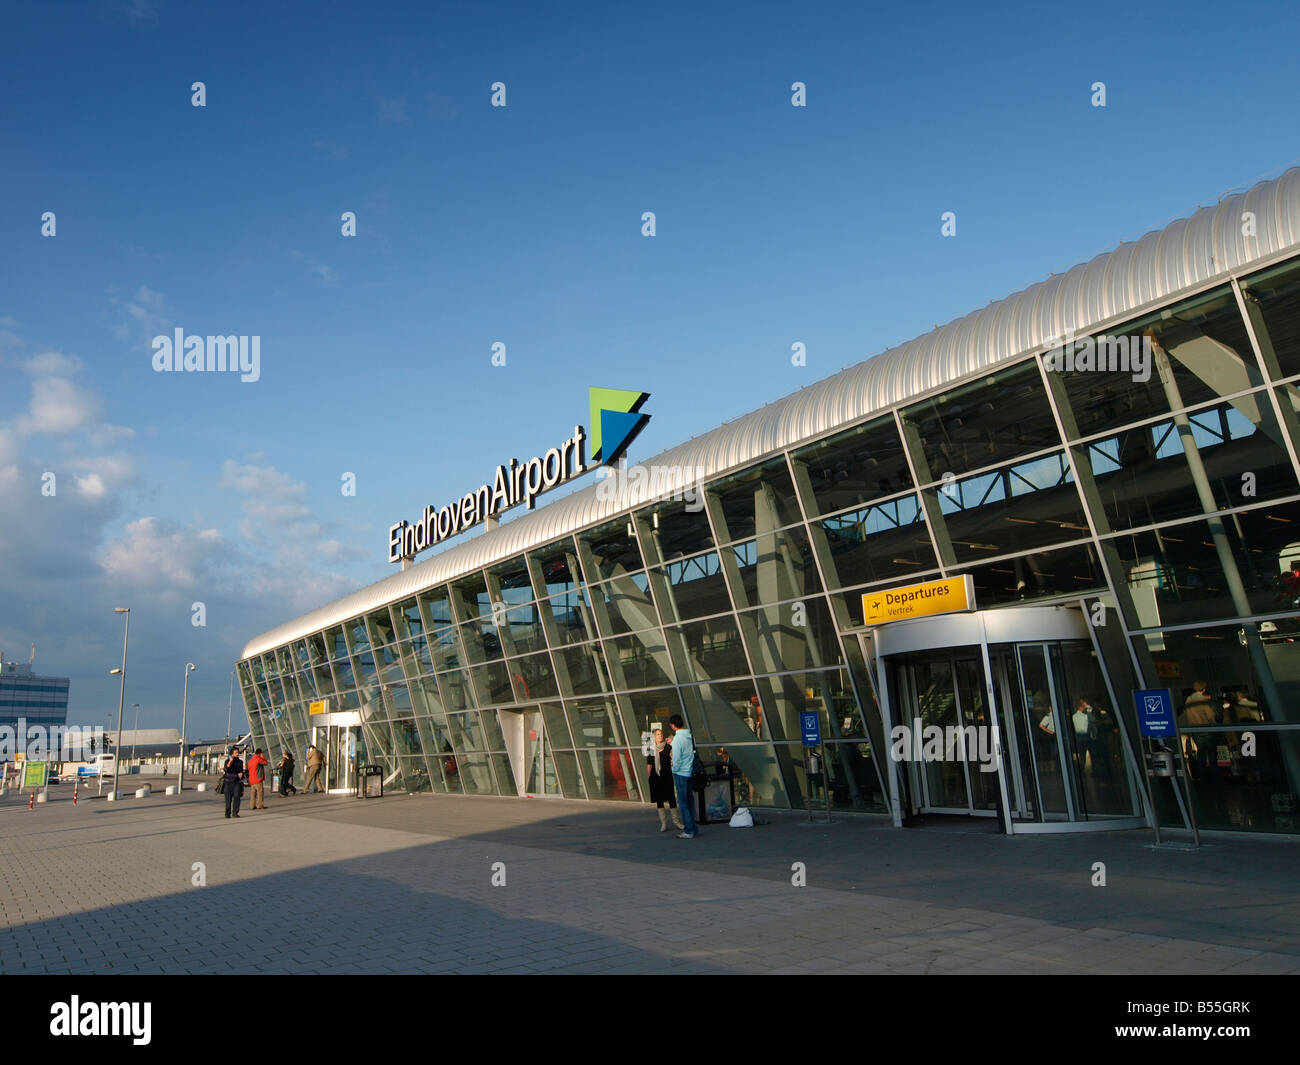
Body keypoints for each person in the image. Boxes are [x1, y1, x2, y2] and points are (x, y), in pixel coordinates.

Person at [646, 727, 684, 833]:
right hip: (655, 777)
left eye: (661, 734)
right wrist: (649, 777)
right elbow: (649, 764)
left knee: (671, 798)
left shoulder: (668, 747)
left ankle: (676, 822)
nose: (660, 735)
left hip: (667, 776)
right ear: (654, 736)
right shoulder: (652, 749)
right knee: (659, 800)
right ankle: (664, 823)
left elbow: (674, 758)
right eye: (658, 734)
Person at [668, 714, 698, 839]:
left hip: (680, 774)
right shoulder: (688, 736)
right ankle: (693, 827)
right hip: (689, 771)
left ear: (673, 725)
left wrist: (674, 769)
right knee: (690, 801)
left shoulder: (677, 740)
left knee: (683, 803)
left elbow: (676, 758)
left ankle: (689, 830)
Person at [221, 746, 245, 819]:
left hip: (236, 782)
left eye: (238, 752)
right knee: (228, 799)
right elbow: (226, 769)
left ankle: (235, 812)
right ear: (232, 754)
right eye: (236, 753)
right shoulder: (227, 761)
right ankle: (227, 813)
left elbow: (241, 771)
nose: (237, 754)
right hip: (228, 782)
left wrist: (241, 774)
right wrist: (230, 761)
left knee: (237, 796)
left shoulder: (240, 762)